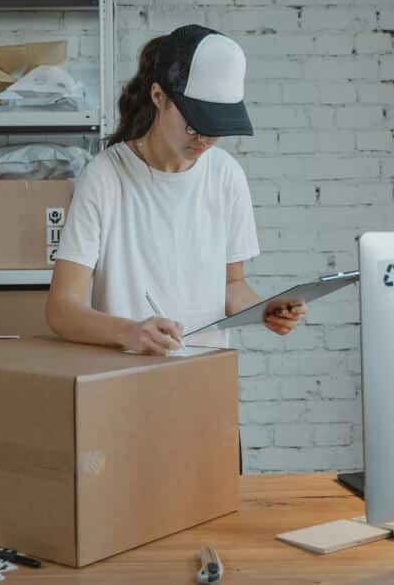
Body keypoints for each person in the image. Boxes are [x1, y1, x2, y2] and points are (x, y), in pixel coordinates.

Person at [46, 24, 307, 355]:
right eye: (194, 123)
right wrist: (130, 331)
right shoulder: (105, 176)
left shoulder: (226, 175)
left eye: (216, 128)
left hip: (204, 373)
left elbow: (231, 285)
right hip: (124, 376)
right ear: (159, 97)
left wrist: (265, 310)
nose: (204, 140)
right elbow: (61, 310)